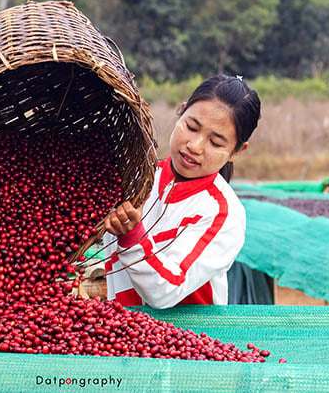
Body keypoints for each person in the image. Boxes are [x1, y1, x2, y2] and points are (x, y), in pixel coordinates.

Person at [102, 75, 260, 308]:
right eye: (191, 127)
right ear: (181, 111)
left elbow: (165, 290)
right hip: (119, 329)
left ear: (237, 150)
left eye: (215, 143)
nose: (194, 146)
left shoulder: (222, 214)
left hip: (187, 338)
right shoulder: (136, 177)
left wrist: (132, 236)